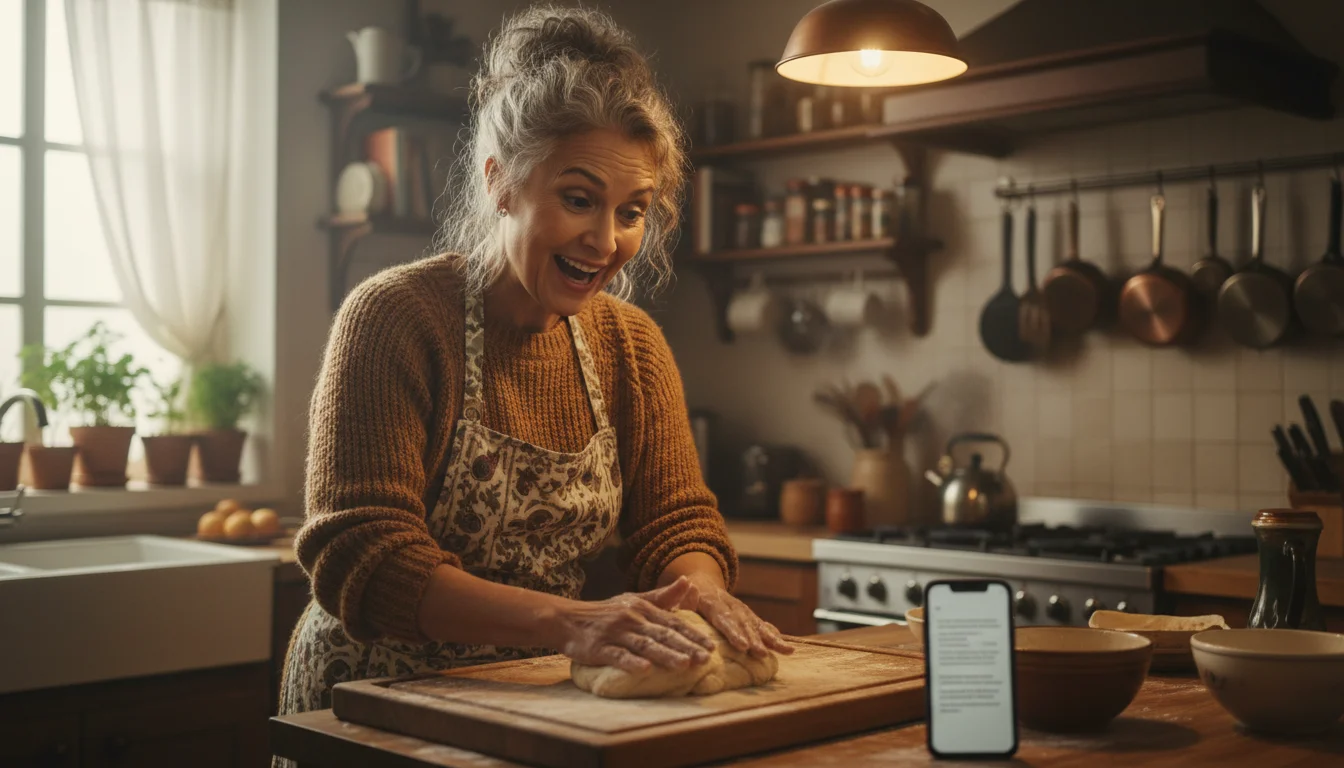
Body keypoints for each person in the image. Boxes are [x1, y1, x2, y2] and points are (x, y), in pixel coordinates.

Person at [276, 3, 793, 730]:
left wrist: (699, 589)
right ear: (500, 183)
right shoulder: (396, 320)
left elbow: (677, 525)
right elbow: (366, 555)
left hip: (533, 707)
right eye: (578, 199)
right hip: (371, 710)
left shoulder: (633, 347)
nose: (606, 240)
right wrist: (573, 623)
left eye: (632, 211)